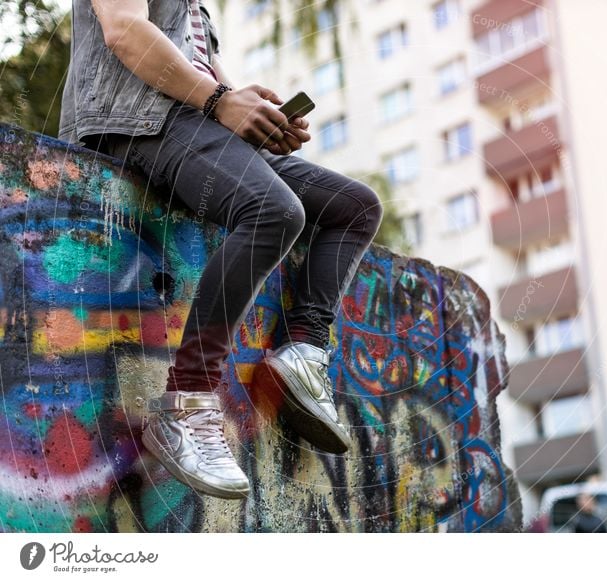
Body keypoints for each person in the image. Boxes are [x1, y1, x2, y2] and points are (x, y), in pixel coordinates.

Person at [58, 0, 383, 499]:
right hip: (136, 123)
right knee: (274, 211)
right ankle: (186, 402)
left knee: (354, 207)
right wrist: (219, 101)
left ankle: (303, 352)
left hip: (193, 125)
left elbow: (203, 77)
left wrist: (249, 109)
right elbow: (123, 30)